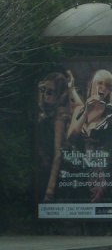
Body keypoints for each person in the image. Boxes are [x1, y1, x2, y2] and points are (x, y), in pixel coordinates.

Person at [68, 69, 112, 202]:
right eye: (100, 83)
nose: (103, 88)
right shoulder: (79, 110)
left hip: (103, 174)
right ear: (92, 84)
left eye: (108, 86)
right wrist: (86, 113)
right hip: (79, 174)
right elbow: (69, 140)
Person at [36, 72, 71, 201]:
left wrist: (49, 190)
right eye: (43, 90)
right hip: (41, 165)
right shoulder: (47, 112)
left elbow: (57, 155)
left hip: (50, 171)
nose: (45, 95)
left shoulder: (59, 116)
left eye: (50, 92)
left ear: (60, 94)